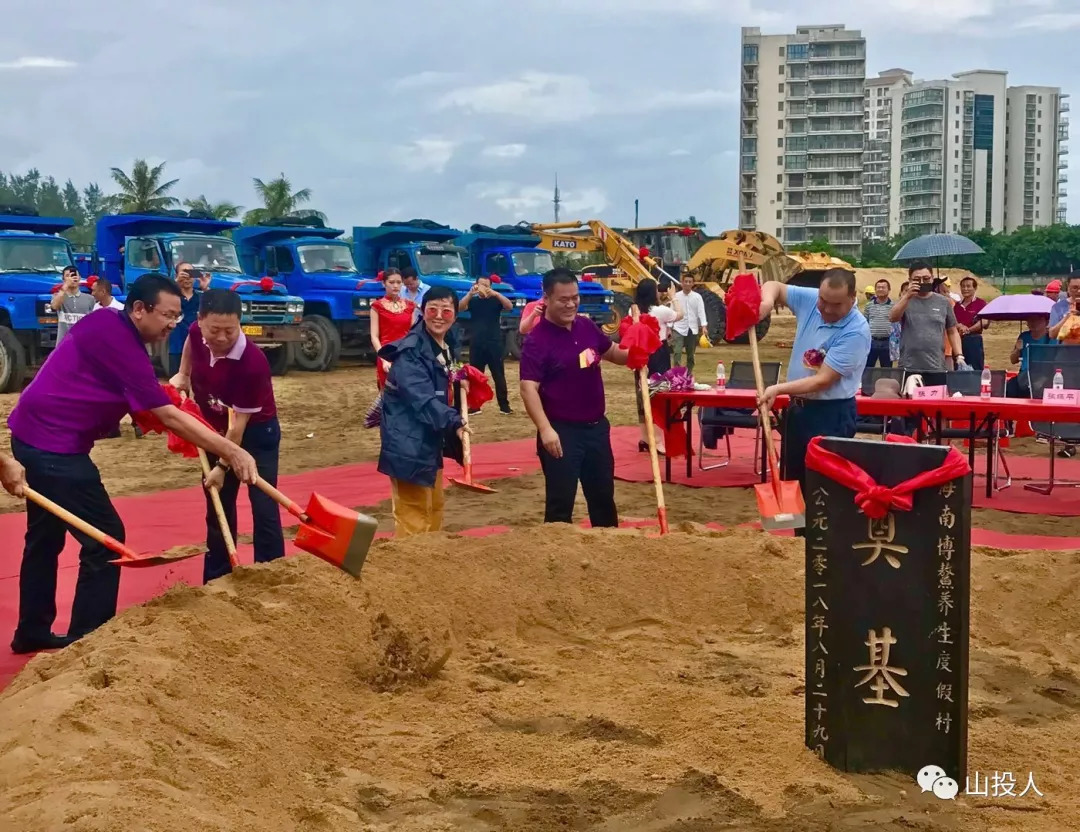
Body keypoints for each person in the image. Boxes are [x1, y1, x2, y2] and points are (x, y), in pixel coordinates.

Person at [7, 273, 258, 654]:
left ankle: (32, 630)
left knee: (45, 538)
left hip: (34, 434)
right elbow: (166, 413)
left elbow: (138, 396)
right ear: (139, 309)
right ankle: (89, 644)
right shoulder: (117, 337)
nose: (173, 324)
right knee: (105, 538)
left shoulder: (109, 325)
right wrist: (232, 450)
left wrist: (157, 405)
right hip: (52, 447)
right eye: (167, 315)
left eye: (178, 316)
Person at [169, 289, 285, 584]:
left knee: (264, 505)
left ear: (240, 324)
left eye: (230, 331)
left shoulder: (252, 362)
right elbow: (191, 340)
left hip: (255, 433)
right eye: (214, 330)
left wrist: (222, 467)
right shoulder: (197, 331)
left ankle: (269, 574)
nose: (221, 338)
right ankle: (218, 578)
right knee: (217, 503)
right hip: (214, 428)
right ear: (200, 320)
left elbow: (239, 427)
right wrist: (183, 373)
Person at [519, 268, 630, 527]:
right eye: (563, 299)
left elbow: (614, 353)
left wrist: (641, 348)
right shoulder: (537, 341)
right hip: (561, 433)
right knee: (561, 502)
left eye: (575, 297)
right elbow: (528, 388)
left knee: (603, 496)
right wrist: (545, 430)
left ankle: (608, 548)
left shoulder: (586, 326)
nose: (571, 304)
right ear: (545, 299)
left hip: (596, 429)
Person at [756, 269, 871, 499]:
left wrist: (778, 389)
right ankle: (798, 534)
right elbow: (775, 285)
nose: (827, 309)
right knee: (795, 481)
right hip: (799, 412)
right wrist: (767, 303)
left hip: (830, 416)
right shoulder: (811, 300)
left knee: (824, 488)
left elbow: (823, 380)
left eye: (836, 304)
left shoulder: (856, 331)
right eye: (823, 300)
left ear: (852, 298)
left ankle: (823, 534)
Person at [377, 287, 467, 537]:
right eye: (432, 309)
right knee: (414, 513)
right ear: (421, 311)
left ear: (455, 316)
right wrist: (454, 422)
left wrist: (462, 377)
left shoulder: (447, 342)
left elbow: (451, 367)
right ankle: (409, 571)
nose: (439, 316)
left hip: (430, 438)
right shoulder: (411, 352)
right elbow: (422, 398)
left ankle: (433, 568)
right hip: (407, 442)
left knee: (435, 506)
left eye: (446, 310)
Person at [890, 262, 966, 386]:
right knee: (909, 403)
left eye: (926, 278)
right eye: (917, 279)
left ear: (932, 278)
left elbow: (952, 330)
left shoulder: (943, 302)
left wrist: (959, 355)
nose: (922, 282)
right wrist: (907, 296)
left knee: (935, 403)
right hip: (909, 366)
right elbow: (893, 317)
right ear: (910, 280)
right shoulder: (905, 301)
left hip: (936, 366)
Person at [633, 278, 680, 453]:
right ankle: (658, 440)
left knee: (643, 393)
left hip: (640, 353)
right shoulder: (659, 311)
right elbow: (679, 315)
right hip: (657, 352)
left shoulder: (634, 311)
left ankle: (645, 437)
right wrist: (674, 297)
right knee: (659, 393)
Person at [460, 274, 513, 415]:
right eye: (481, 284)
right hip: (476, 342)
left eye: (487, 285)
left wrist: (496, 294)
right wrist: (470, 294)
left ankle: (504, 406)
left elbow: (509, 306)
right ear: (476, 285)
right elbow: (460, 308)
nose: (484, 288)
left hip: (494, 342)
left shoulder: (495, 300)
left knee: (498, 374)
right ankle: (475, 406)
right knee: (475, 376)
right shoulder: (473, 300)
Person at [370, 268, 416, 390]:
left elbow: (413, 333)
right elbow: (374, 336)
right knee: (387, 394)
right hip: (386, 354)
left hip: (406, 355)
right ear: (383, 283)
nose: (395, 286)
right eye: (391, 282)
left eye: (398, 282)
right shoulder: (377, 306)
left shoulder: (410, 305)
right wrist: (383, 358)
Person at [168, 262, 210, 376]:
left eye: (190, 273)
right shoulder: (172, 297)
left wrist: (205, 288)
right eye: (183, 273)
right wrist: (175, 284)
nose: (187, 278)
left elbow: (213, 308)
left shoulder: (201, 297)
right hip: (176, 347)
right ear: (176, 275)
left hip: (198, 347)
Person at [670, 273, 709, 375]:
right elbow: (672, 311)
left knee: (690, 354)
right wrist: (669, 327)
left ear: (693, 284)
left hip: (692, 329)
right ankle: (677, 374)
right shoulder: (676, 297)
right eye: (685, 281)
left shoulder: (697, 297)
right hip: (678, 328)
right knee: (677, 352)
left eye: (689, 282)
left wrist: (704, 326)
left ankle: (688, 374)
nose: (687, 284)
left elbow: (701, 312)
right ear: (682, 283)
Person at [1006, 315, 1054, 397]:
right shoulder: (1024, 336)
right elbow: (1013, 360)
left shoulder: (1051, 337)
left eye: (1037, 320)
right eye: (1030, 320)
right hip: (1024, 375)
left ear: (1046, 322)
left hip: (1044, 376)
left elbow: (1053, 360)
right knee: (1008, 389)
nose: (1033, 323)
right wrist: (1017, 349)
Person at [51, 265, 95, 344]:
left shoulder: (90, 299)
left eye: (75, 275)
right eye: (68, 276)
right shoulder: (59, 296)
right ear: (63, 279)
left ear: (79, 278)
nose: (72, 278)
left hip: (83, 344)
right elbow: (54, 306)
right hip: (63, 345)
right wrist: (65, 287)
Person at [952, 276, 989, 371]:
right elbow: (951, 321)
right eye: (963, 286)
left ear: (975, 288)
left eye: (968, 286)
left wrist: (968, 330)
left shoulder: (981, 303)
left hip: (974, 340)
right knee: (958, 367)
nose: (965, 289)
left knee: (975, 368)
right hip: (958, 341)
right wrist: (959, 326)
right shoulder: (956, 306)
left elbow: (984, 321)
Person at [863, 279, 894, 368]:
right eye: (878, 287)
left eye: (883, 287)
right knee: (868, 368)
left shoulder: (894, 306)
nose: (880, 289)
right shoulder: (869, 305)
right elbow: (865, 322)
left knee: (887, 369)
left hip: (887, 343)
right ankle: (867, 382)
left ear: (889, 290)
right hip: (872, 342)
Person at [1049, 275, 1080, 341]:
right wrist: (1066, 318)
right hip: (1066, 349)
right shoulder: (1058, 307)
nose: (1079, 291)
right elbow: (1052, 334)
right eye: (1075, 288)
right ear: (1068, 288)